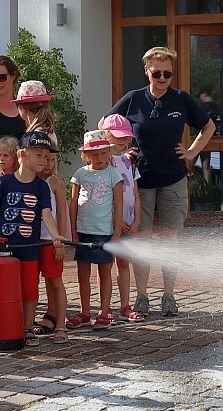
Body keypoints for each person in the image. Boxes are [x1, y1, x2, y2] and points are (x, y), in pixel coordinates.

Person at [106, 46, 215, 317]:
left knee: (169, 240)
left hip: (173, 178)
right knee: (141, 240)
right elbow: (106, 123)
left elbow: (208, 127)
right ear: (147, 71)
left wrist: (190, 153)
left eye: (167, 73)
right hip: (140, 180)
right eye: (157, 73)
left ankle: (169, 295)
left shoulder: (181, 99)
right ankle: (141, 296)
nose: (163, 78)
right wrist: (122, 148)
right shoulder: (133, 99)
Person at [0, 130, 65, 347]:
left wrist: (56, 235)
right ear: (22, 155)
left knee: (29, 290)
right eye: (38, 155)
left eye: (47, 156)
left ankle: (27, 328)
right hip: (3, 249)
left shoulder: (41, 187)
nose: (44, 160)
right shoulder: (6, 182)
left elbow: (46, 214)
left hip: (29, 248)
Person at [69, 130, 123, 330]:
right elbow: (73, 203)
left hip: (104, 233)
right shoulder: (80, 175)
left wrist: (116, 234)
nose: (98, 158)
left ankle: (104, 311)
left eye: (102, 153)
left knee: (104, 273)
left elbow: (118, 206)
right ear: (86, 156)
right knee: (82, 273)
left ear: (108, 152)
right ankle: (84, 312)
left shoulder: (114, 176)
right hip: (83, 231)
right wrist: (73, 228)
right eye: (94, 154)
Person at [99, 113, 144, 323]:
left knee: (124, 264)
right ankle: (105, 309)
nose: (123, 141)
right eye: (118, 137)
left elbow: (135, 193)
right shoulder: (103, 163)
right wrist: (117, 223)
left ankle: (125, 306)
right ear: (106, 136)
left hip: (128, 223)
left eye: (126, 137)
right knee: (106, 266)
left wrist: (135, 221)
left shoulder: (129, 162)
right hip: (109, 225)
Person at [34, 145, 70, 344]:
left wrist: (60, 240)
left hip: (50, 239)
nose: (47, 164)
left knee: (54, 280)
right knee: (32, 281)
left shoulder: (55, 182)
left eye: (51, 160)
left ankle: (60, 323)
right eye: (44, 158)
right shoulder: (29, 180)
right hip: (32, 240)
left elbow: (62, 214)